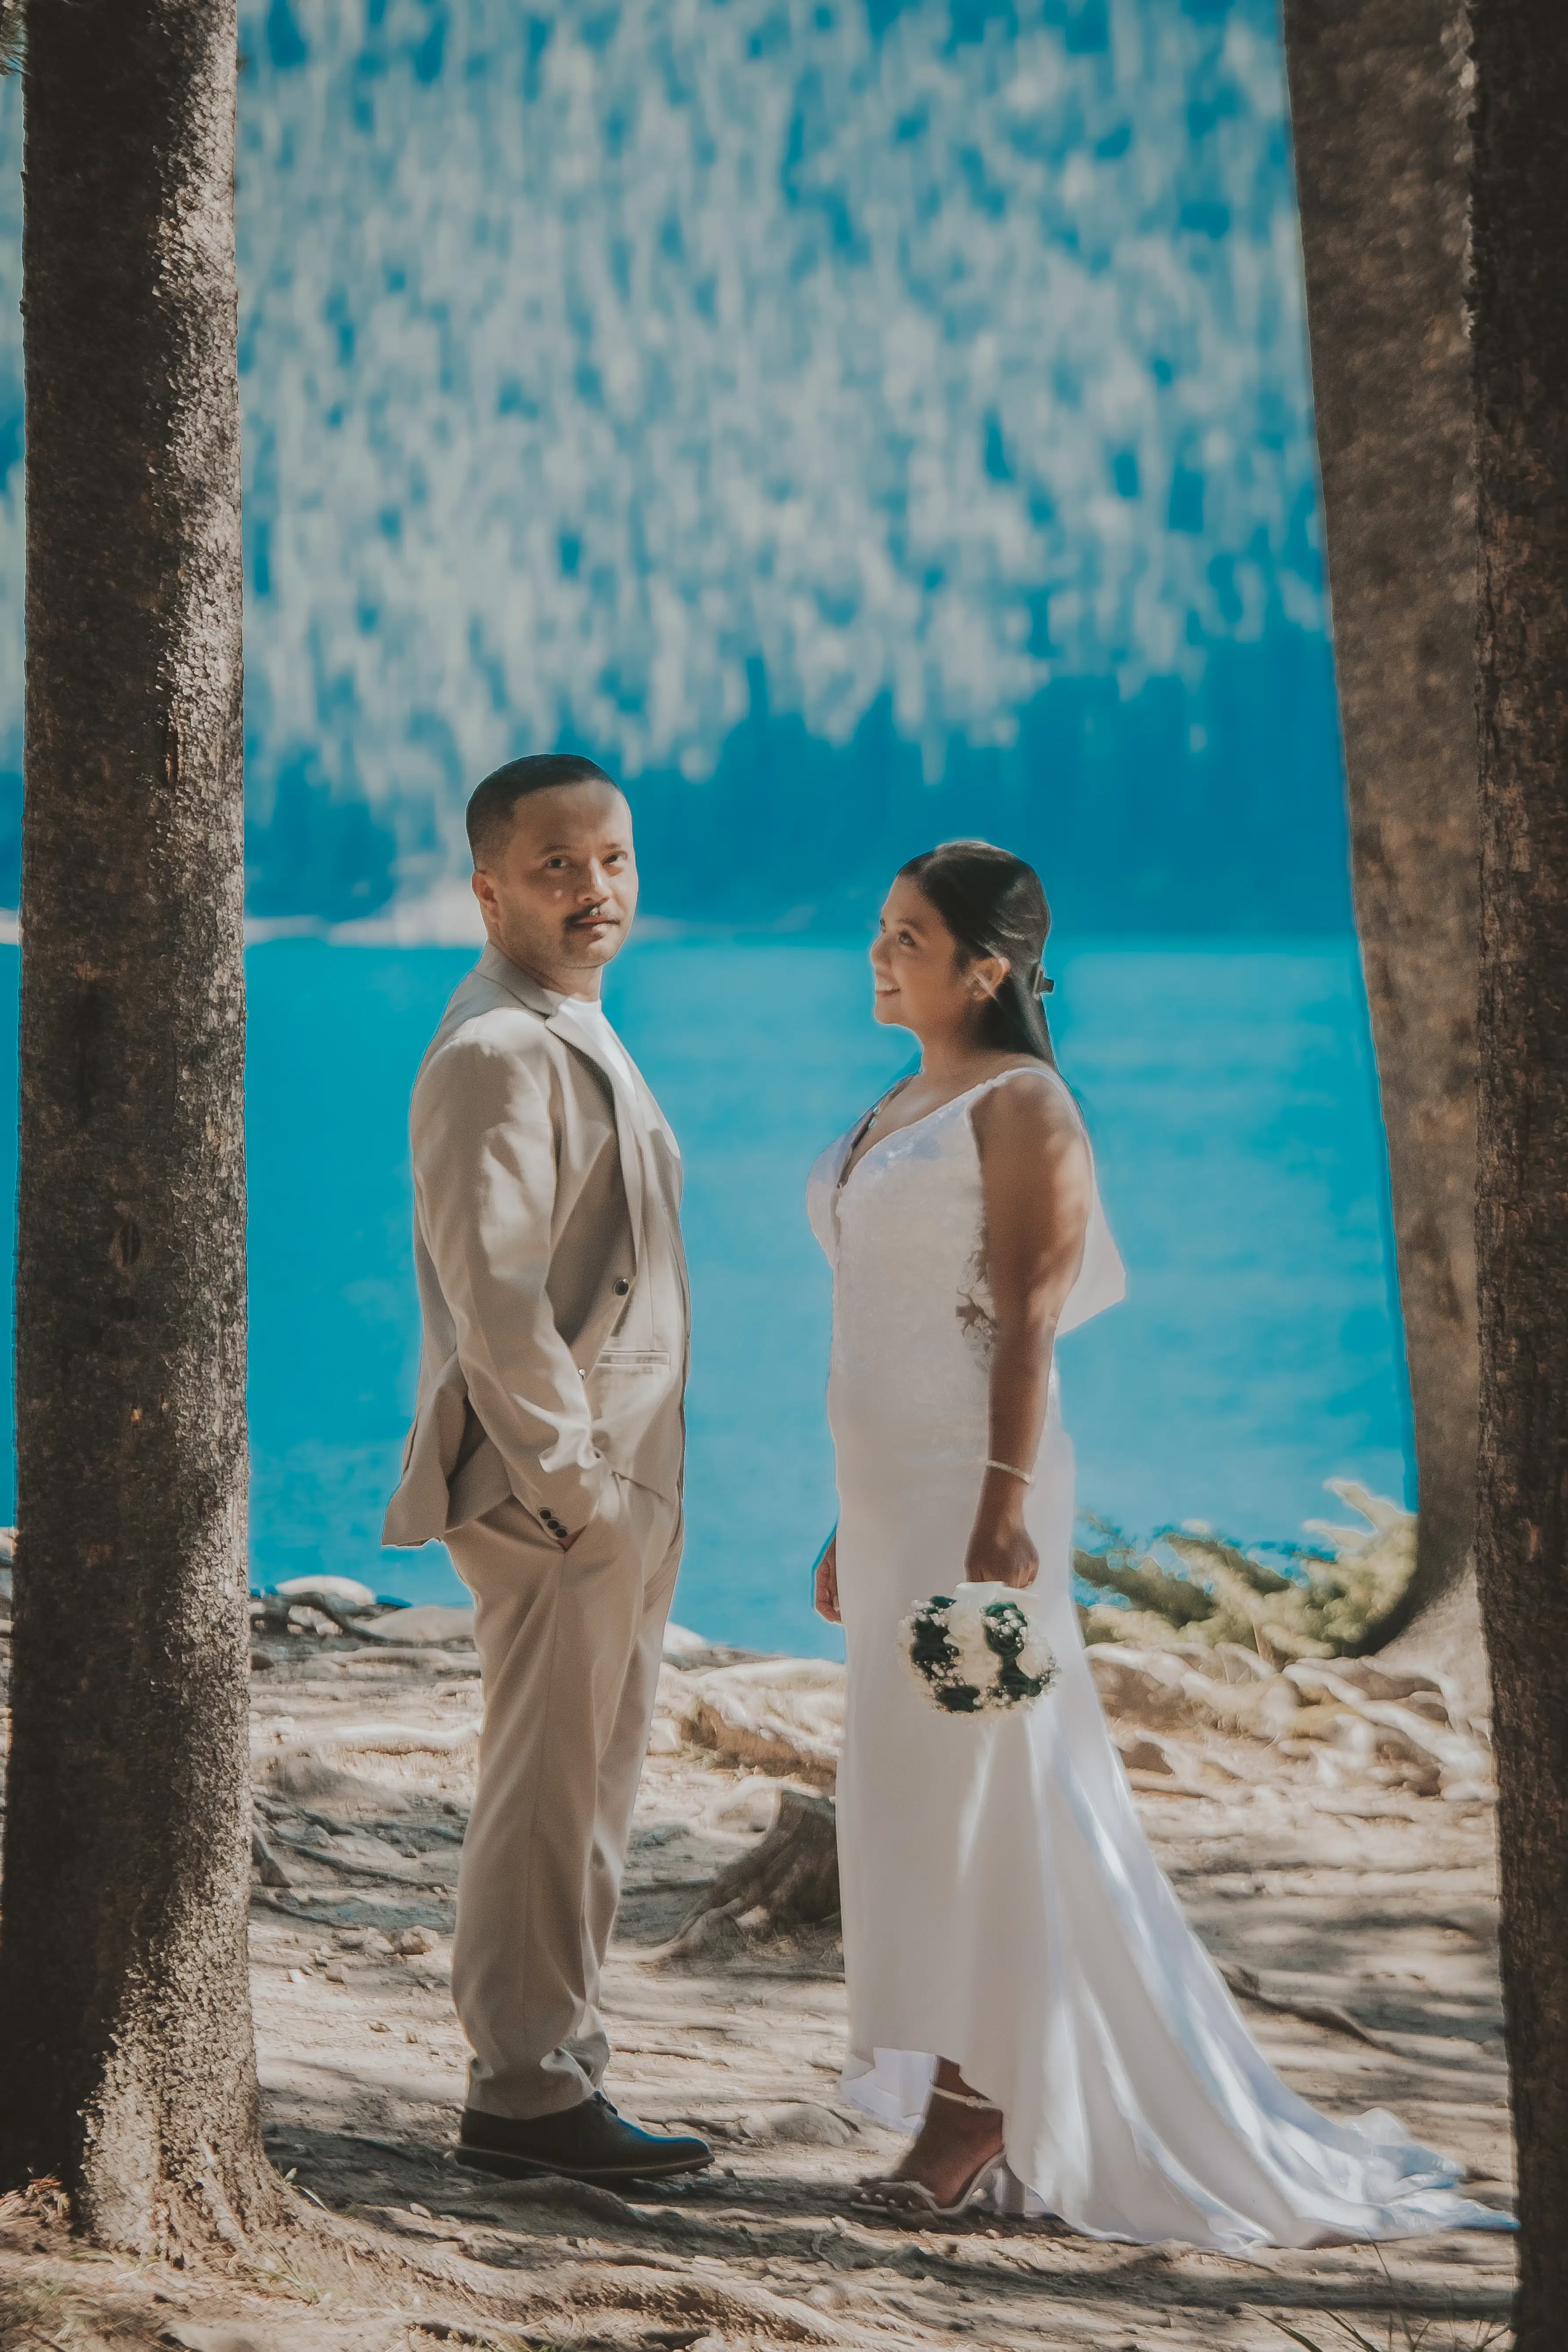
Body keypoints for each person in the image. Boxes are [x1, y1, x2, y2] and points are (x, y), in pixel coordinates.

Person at [806, 838, 1506, 2248]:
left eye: (909, 938)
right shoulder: (903, 1094)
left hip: (976, 1509)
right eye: (880, 930)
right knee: (910, 1776)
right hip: (893, 1503)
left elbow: (1026, 1320)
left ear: (986, 967)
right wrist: (847, 1515)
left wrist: (999, 1507)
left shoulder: (1027, 1107)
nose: (879, 955)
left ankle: (981, 2092)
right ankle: (967, 2060)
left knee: (993, 1773)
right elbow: (891, 1318)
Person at [383, 752, 709, 2186]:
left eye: (615, 860)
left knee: (592, 1792)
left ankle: (559, 2065)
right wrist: (574, 1495)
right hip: (557, 1492)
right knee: (545, 1791)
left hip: (621, 1483)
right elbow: (495, 1301)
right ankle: (520, 2094)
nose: (596, 890)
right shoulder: (495, 1053)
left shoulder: (571, 1024)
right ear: (489, 887)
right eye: (560, 865)